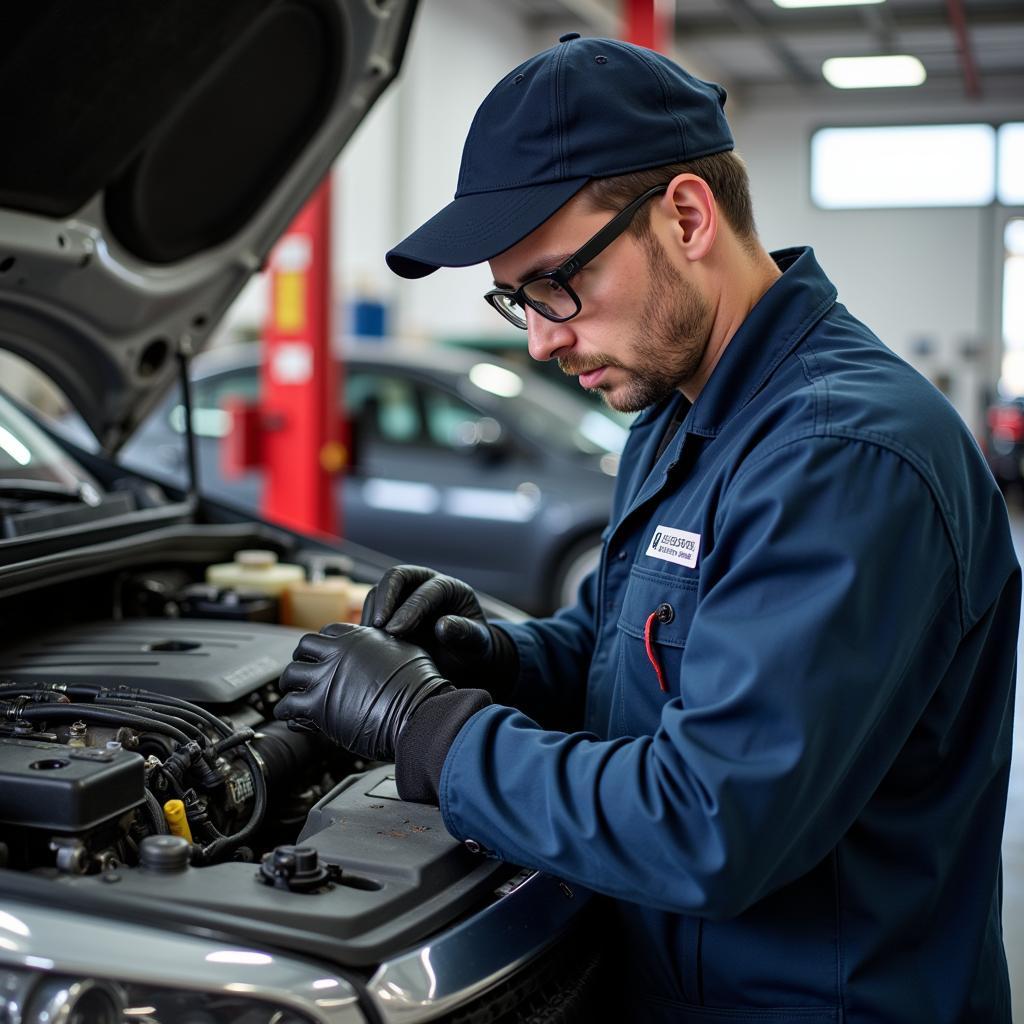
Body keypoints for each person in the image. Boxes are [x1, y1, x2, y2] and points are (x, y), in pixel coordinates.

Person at [275, 33, 1020, 1023]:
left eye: (556, 283)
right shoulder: (678, 410)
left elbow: (708, 821)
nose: (540, 338)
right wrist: (497, 656)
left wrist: (430, 727)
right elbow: (624, 650)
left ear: (683, 215)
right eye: (516, 300)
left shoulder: (844, 458)